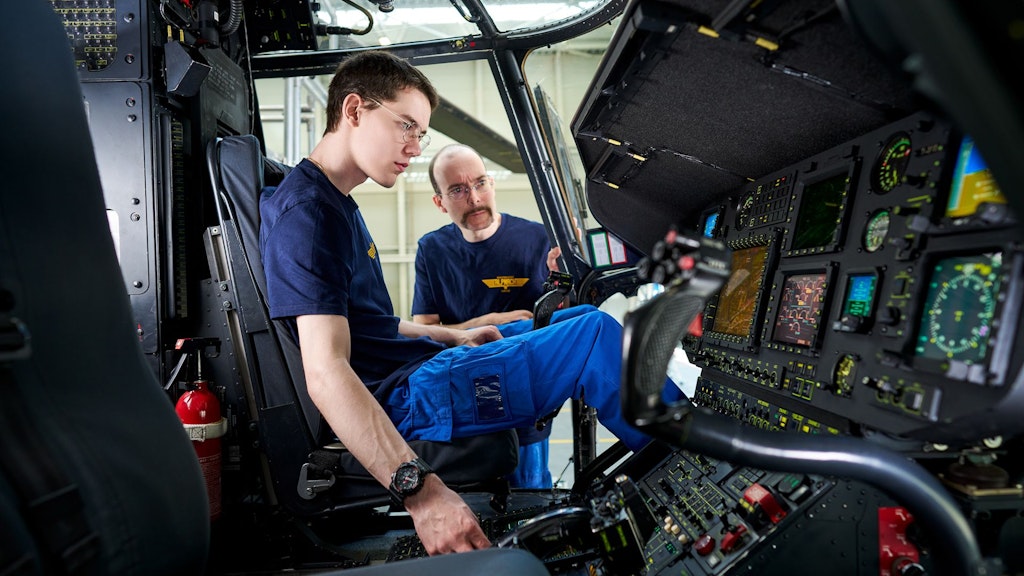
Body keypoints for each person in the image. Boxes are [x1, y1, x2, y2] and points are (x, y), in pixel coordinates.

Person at [259, 50, 663, 556]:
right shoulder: (309, 216)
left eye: (421, 134)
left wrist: (454, 334)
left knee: (580, 316)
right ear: (355, 110)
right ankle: (699, 470)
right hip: (405, 399)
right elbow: (325, 371)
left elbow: (373, 325)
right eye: (406, 125)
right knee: (594, 340)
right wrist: (421, 493)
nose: (414, 147)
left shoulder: (334, 202)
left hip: (414, 371)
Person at [412, 143, 565, 489]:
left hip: (528, 387)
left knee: (530, 487)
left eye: (480, 183)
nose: (474, 197)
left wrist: (567, 278)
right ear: (440, 202)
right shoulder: (432, 250)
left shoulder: (538, 239)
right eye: (458, 190)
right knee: (478, 495)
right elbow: (424, 330)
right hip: (467, 392)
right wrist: (486, 323)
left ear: (492, 184)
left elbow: (564, 316)